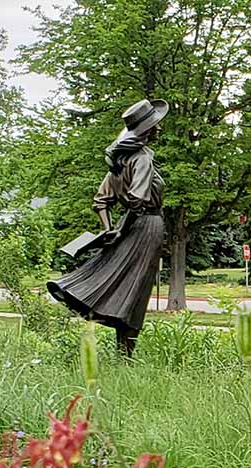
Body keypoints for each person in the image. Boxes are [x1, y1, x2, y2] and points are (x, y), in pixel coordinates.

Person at [46, 99, 168, 356]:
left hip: (128, 225)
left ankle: (123, 350)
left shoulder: (118, 163)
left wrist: (110, 229)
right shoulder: (143, 158)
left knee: (126, 286)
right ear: (146, 130)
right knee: (137, 289)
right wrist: (124, 225)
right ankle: (126, 354)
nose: (159, 129)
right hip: (147, 226)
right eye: (155, 125)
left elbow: (101, 201)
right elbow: (138, 198)